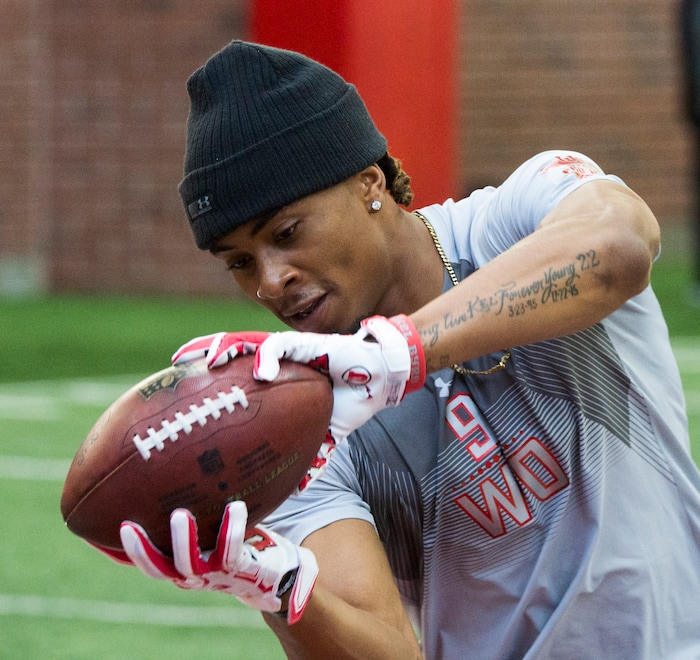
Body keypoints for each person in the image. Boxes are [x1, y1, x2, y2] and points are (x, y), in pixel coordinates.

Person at [96, 40, 700, 659]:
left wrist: (398, 352)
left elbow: (620, 246)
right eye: (240, 262)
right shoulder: (294, 414)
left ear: (368, 182)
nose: (268, 281)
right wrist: (281, 593)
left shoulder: (515, 217)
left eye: (286, 233)